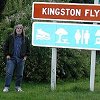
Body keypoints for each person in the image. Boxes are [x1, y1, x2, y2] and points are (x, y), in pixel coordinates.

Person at [3, 24, 30, 92]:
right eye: (17, 28)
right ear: (15, 29)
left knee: (20, 74)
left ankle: (18, 87)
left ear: (22, 30)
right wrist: (7, 55)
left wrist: (25, 57)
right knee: (9, 73)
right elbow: (5, 47)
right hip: (11, 58)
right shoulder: (10, 37)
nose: (19, 29)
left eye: (20, 28)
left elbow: (28, 49)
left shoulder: (25, 38)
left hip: (21, 59)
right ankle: (6, 87)